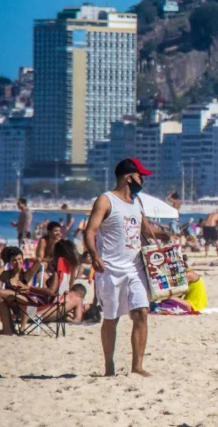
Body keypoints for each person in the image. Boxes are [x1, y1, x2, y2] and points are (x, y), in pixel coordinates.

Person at [83, 157, 162, 377]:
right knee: (111, 318)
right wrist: (94, 255)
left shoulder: (137, 202)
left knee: (142, 313)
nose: (142, 180)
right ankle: (109, 365)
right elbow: (90, 231)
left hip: (135, 268)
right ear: (129, 177)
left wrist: (168, 237)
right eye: (140, 176)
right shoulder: (106, 200)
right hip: (110, 269)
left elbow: (146, 231)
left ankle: (137, 366)